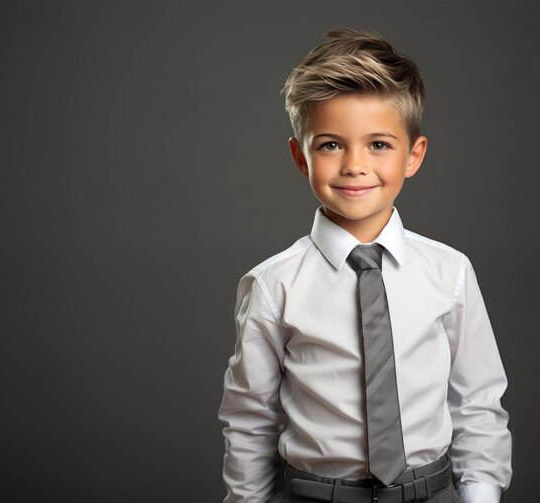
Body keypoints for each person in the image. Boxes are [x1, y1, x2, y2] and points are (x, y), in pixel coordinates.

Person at [218, 28, 512, 503]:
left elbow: (476, 401)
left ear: (413, 156)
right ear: (300, 157)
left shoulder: (449, 271)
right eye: (330, 145)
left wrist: (480, 495)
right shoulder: (273, 284)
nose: (355, 165)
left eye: (379, 144)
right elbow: (251, 417)